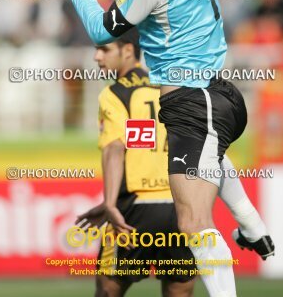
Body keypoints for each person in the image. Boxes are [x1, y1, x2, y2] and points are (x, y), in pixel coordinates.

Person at [46, 0, 274, 297]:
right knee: (208, 161)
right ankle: (251, 226)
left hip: (194, 101)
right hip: (212, 95)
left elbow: (101, 29)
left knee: (192, 222)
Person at [76, 29, 197, 297]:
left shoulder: (116, 93)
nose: (97, 57)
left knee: (108, 289)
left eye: (105, 49)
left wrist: (110, 203)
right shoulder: (173, 86)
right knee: (181, 289)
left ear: (128, 50)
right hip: (180, 207)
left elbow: (115, 148)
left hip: (134, 209)